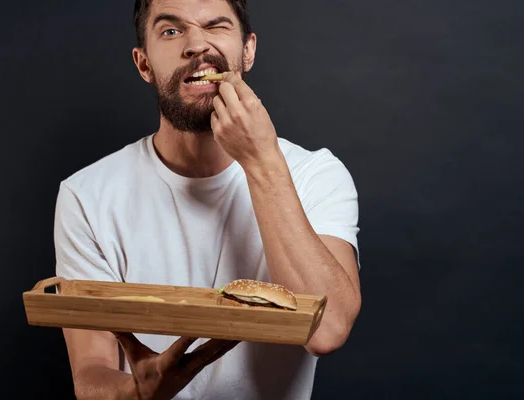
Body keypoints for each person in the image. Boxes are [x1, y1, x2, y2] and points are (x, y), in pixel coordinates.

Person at [53, 0, 362, 399]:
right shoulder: (86, 195)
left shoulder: (315, 175)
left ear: (247, 50)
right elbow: (91, 372)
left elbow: (328, 329)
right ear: (144, 64)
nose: (197, 44)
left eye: (216, 26)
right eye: (171, 30)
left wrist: (262, 162)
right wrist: (136, 392)